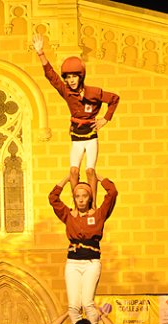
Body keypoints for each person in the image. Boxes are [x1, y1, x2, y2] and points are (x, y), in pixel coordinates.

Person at [33, 33, 119, 205]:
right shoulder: (66, 92)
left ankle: (92, 205)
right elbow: (52, 77)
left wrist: (105, 119)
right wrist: (41, 53)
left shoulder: (93, 92)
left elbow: (114, 99)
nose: (71, 80)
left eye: (74, 76)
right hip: (76, 137)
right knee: (73, 171)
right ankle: (76, 205)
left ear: (81, 77)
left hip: (91, 136)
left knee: (89, 171)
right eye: (68, 77)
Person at [48, 175, 118, 324]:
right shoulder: (69, 215)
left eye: (84, 196)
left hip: (91, 263)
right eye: (77, 196)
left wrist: (97, 177)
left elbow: (112, 192)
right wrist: (66, 179)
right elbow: (53, 198)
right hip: (73, 263)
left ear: (89, 198)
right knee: (73, 306)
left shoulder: (98, 215)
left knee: (87, 303)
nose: (80, 199)